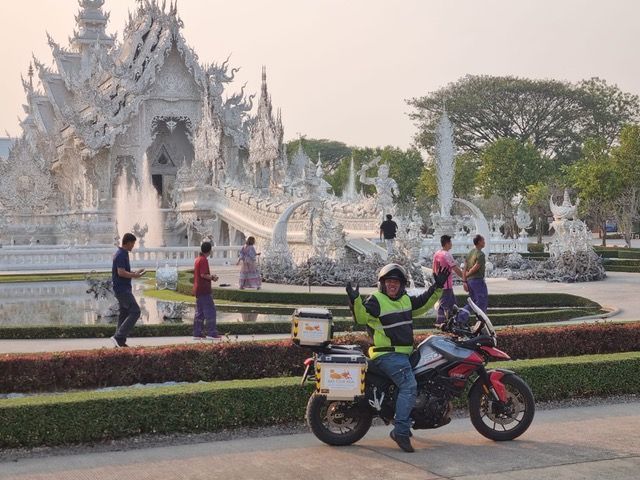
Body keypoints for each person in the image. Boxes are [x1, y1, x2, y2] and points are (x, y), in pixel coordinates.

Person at [346, 263, 449, 453]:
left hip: (403, 354)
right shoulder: (376, 300)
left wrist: (438, 286)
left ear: (402, 285)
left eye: (396, 282)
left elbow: (424, 303)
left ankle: (403, 416)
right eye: (389, 282)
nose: (392, 285)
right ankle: (400, 431)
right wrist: (355, 301)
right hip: (388, 355)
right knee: (409, 386)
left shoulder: (405, 301)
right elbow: (361, 318)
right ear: (382, 284)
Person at [110, 233, 145, 348]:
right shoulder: (120, 254)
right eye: (133, 244)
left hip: (122, 288)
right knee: (135, 311)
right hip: (122, 289)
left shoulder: (122, 253)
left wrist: (135, 273)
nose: (133, 246)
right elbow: (120, 272)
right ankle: (119, 337)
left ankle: (119, 341)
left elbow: (123, 271)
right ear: (128, 242)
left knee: (124, 314)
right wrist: (134, 275)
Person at [432, 235, 464, 325]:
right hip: (446, 285)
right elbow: (455, 268)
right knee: (443, 305)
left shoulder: (437, 253)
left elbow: (433, 269)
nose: (451, 244)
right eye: (450, 242)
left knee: (452, 305)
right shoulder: (447, 255)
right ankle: (440, 324)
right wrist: (464, 278)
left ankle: (452, 323)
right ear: (447, 243)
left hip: (440, 283)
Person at [193, 241, 221, 340]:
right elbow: (203, 274)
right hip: (204, 289)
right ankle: (211, 333)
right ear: (209, 250)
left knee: (199, 312)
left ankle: (197, 333)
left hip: (198, 289)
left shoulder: (197, 259)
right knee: (210, 311)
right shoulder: (203, 260)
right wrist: (212, 277)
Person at [463, 234, 488, 312]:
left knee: (472, 302)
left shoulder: (470, 253)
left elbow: (464, 268)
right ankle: (481, 320)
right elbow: (476, 267)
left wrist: (464, 281)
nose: (484, 242)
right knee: (482, 301)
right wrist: (467, 274)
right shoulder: (480, 254)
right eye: (483, 241)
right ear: (479, 242)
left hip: (470, 281)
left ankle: (460, 317)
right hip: (477, 280)